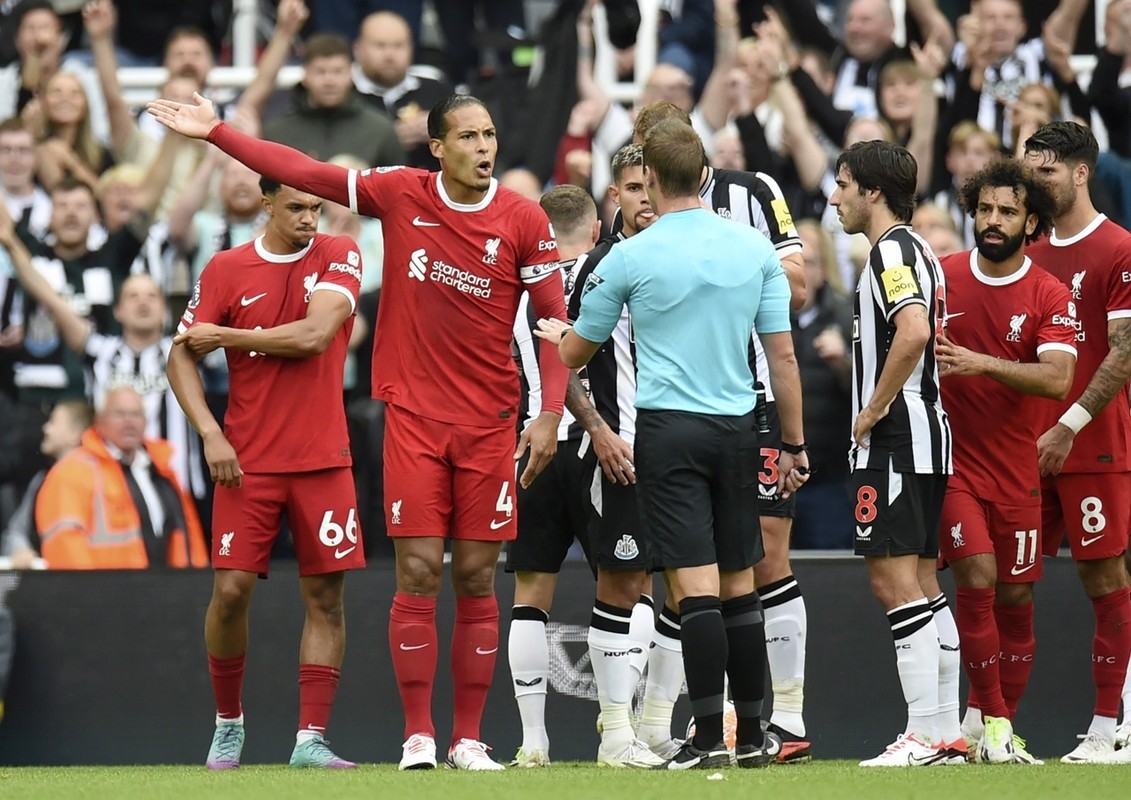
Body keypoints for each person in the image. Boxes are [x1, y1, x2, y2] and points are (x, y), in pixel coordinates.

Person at [147, 91, 569, 770]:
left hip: (491, 420)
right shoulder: (400, 194)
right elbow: (303, 169)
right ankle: (417, 738)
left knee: (474, 573)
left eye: (489, 134)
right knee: (420, 571)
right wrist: (218, 133)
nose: (483, 147)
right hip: (411, 417)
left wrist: (548, 413)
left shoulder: (522, 218)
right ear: (436, 148)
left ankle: (466, 737)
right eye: (467, 136)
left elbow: (554, 325)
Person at [537, 118, 809, 770]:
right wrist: (794, 446)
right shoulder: (751, 248)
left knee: (694, 591)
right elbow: (783, 357)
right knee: (740, 582)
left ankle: (709, 738)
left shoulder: (631, 254)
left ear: (651, 181)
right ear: (707, 177)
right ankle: (755, 735)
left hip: (668, 431)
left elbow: (581, 348)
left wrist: (555, 337)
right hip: (740, 426)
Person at [628, 99, 813, 764]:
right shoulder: (636, 217)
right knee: (688, 574)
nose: (643, 175)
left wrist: (710, 259)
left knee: (761, 559)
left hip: (751, 398)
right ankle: (681, 724)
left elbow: (798, 278)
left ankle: (779, 721)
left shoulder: (753, 192)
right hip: (677, 407)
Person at [167, 177, 367, 770]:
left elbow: (313, 335)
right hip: (246, 460)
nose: (311, 217)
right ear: (268, 203)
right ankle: (228, 724)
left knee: (326, 598)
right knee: (229, 594)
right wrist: (210, 433)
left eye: (318, 207)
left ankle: (310, 739)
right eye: (298, 206)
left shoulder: (339, 252)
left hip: (323, 457)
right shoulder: (227, 267)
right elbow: (180, 352)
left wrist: (226, 335)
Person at [508, 148, 663, 769]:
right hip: (609, 445)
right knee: (628, 586)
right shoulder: (614, 268)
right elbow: (573, 353)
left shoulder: (519, 289)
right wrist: (597, 424)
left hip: (531, 444)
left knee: (529, 592)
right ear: (597, 228)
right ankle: (619, 731)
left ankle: (532, 741)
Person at [934, 157, 1075, 765]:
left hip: (1017, 469)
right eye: (985, 209)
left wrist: (980, 362)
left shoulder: (1048, 292)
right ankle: (991, 722)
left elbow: (1058, 378)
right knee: (979, 579)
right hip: (953, 465)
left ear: (1032, 222)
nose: (992, 221)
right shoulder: (940, 278)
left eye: (1007, 212)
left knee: (1017, 600)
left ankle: (995, 727)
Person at [829, 140, 955, 767]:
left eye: (844, 183)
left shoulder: (892, 252)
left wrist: (873, 408)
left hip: (899, 439)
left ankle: (923, 735)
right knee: (926, 584)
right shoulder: (923, 249)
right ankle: (948, 730)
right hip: (929, 436)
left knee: (892, 579)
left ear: (873, 190)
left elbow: (912, 331)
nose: (835, 197)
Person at [1022, 121, 1131, 765]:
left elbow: (1123, 354)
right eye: (1030, 168)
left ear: (1081, 172)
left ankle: (1107, 724)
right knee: (1006, 578)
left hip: (1092, 446)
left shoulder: (1118, 248)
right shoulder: (1029, 253)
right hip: (1029, 449)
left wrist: (1070, 425)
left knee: (1103, 578)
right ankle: (989, 724)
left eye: (1047, 170)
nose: (1036, 180)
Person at [34, 384, 208, 569]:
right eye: (119, 414)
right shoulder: (72, 472)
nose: (129, 422)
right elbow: (64, 546)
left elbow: (189, 540)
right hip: (105, 592)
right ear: (99, 421)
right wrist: (86, 594)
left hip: (167, 590)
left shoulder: (162, 471)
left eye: (136, 414)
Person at [0, 398, 91, 567]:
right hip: (46, 583)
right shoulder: (42, 479)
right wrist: (20, 550)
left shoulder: (100, 478)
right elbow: (17, 531)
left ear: (74, 434)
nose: (45, 428)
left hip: (98, 582)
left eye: (53, 422)